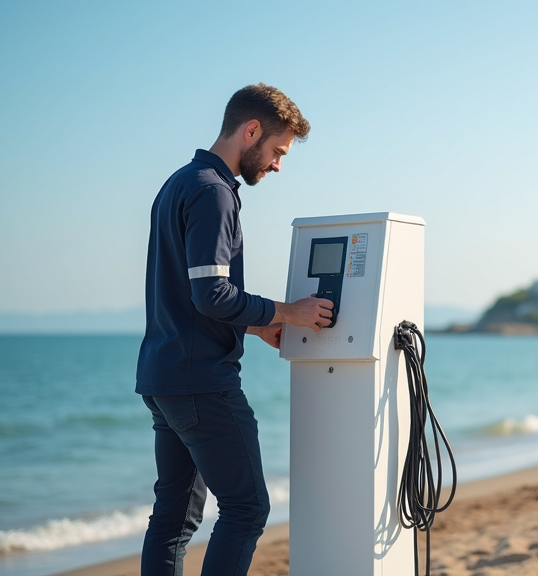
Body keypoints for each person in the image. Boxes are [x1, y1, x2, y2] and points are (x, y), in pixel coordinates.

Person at [135, 83, 333, 576]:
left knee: (174, 519)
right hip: (201, 381)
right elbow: (211, 295)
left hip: (163, 377)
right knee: (247, 509)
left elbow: (190, 296)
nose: (277, 165)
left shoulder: (180, 181)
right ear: (251, 131)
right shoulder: (213, 192)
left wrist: (256, 326)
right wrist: (290, 312)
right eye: (277, 151)